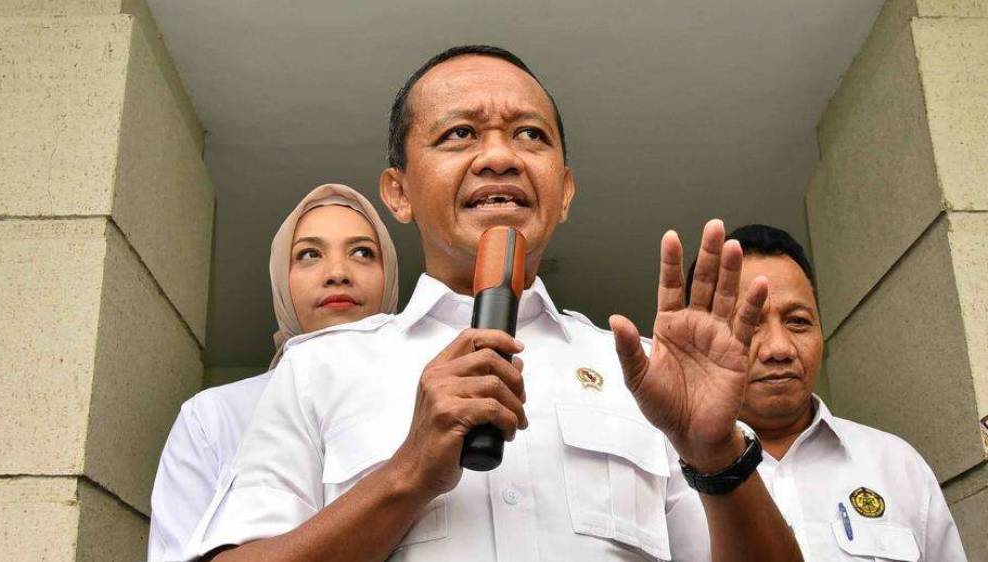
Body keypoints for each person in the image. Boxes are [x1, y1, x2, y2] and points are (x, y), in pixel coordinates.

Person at [184, 45, 803, 562]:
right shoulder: (318, 368)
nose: (501, 157)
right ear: (398, 193)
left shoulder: (646, 376)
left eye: (530, 135)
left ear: (564, 191)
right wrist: (407, 473)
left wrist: (715, 454)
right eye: (459, 134)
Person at [676, 224, 967, 561]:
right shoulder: (663, 478)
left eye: (798, 321)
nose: (779, 348)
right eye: (749, 324)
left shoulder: (898, 465)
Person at [147, 184, 399, 562]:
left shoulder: (431, 398)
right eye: (310, 254)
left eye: (362, 252)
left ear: (389, 274)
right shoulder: (212, 417)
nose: (337, 273)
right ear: (281, 278)